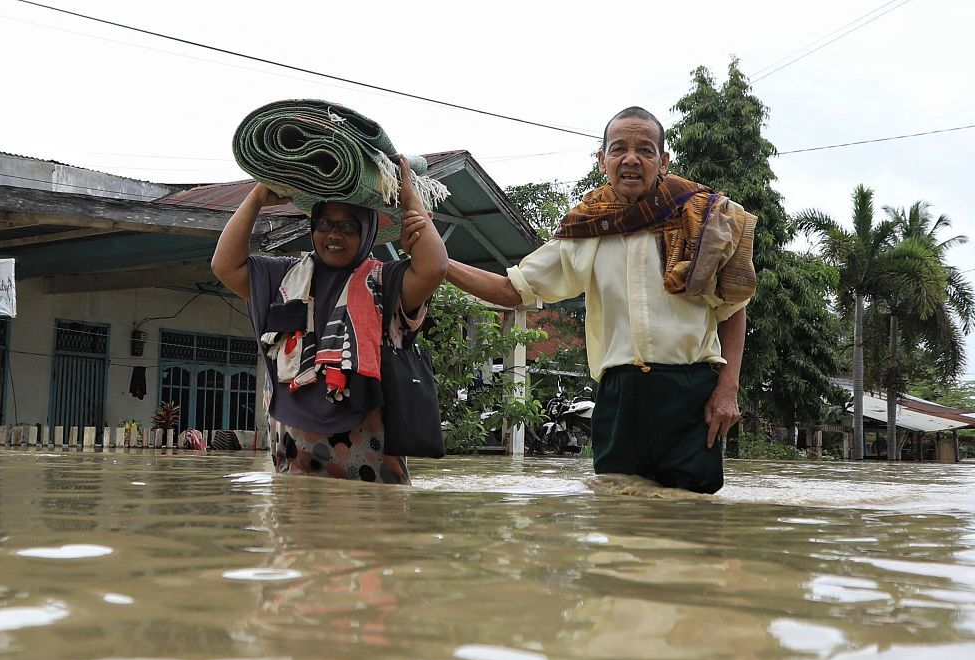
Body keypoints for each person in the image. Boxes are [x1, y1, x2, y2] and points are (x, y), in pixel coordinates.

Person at [431, 107, 756, 494]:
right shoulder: (587, 229)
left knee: (692, 514)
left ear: (663, 161)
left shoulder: (702, 222)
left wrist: (727, 389)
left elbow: (734, 308)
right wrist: (440, 264)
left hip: (692, 393)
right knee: (615, 510)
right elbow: (510, 290)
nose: (631, 158)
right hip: (620, 394)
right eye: (619, 149)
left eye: (645, 150)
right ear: (603, 160)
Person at [212, 156, 447, 484]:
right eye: (325, 223)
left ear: (367, 231)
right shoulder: (285, 276)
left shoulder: (386, 281)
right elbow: (225, 265)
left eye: (349, 225)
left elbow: (434, 268)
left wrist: (409, 199)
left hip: (370, 468)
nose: (334, 234)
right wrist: (256, 198)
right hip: (293, 462)